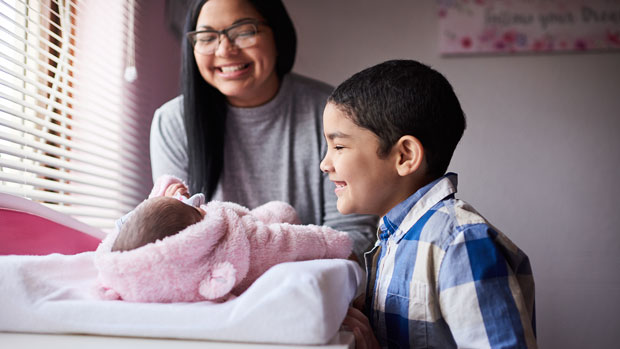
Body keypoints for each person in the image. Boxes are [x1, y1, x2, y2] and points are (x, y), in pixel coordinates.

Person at [320, 60, 537, 348]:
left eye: (338, 147)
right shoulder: (394, 240)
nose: (325, 164)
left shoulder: (460, 244)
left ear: (405, 156)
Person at [149, 0, 377, 262]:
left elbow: (351, 236)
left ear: (277, 35)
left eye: (244, 31)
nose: (224, 49)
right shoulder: (173, 122)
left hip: (309, 287)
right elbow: (175, 235)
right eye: (207, 37)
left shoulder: (331, 112)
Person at [96, 175, 353, 303]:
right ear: (193, 232)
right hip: (253, 230)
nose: (204, 209)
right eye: (198, 211)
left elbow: (152, 216)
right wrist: (331, 242)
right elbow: (288, 240)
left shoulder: (132, 270)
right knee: (283, 214)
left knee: (277, 212)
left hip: (250, 218)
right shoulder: (234, 247)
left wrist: (167, 196)